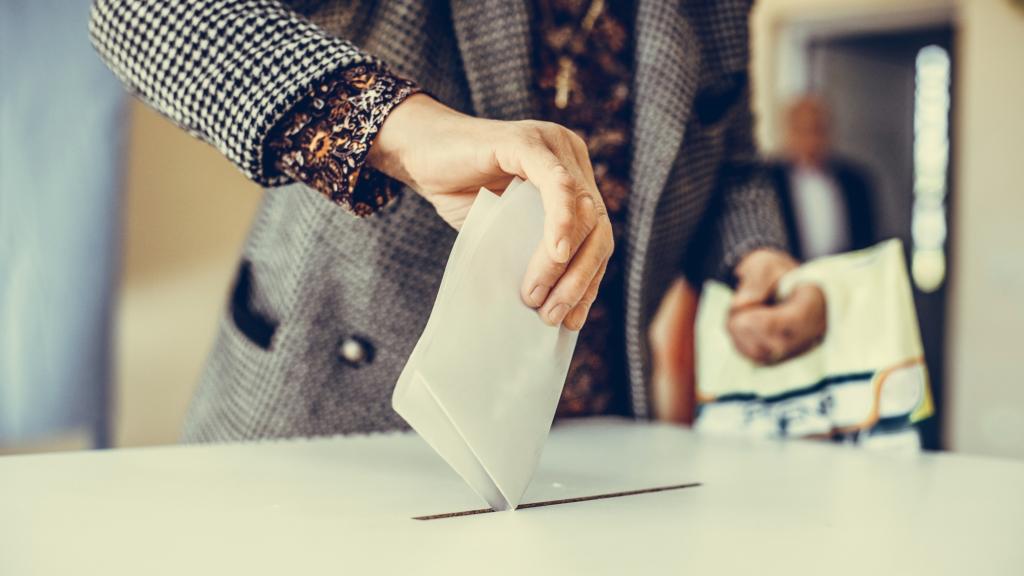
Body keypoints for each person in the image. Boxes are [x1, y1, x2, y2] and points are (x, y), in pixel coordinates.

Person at [89, 0, 827, 442]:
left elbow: (726, 153)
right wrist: (407, 131)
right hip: (335, 408)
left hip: (590, 440)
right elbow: (145, 15)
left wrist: (756, 254)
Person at [768, 96, 876, 261]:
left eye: (817, 129)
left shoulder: (856, 181)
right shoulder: (768, 182)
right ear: (788, 131)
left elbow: (868, 241)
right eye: (802, 130)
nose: (810, 140)